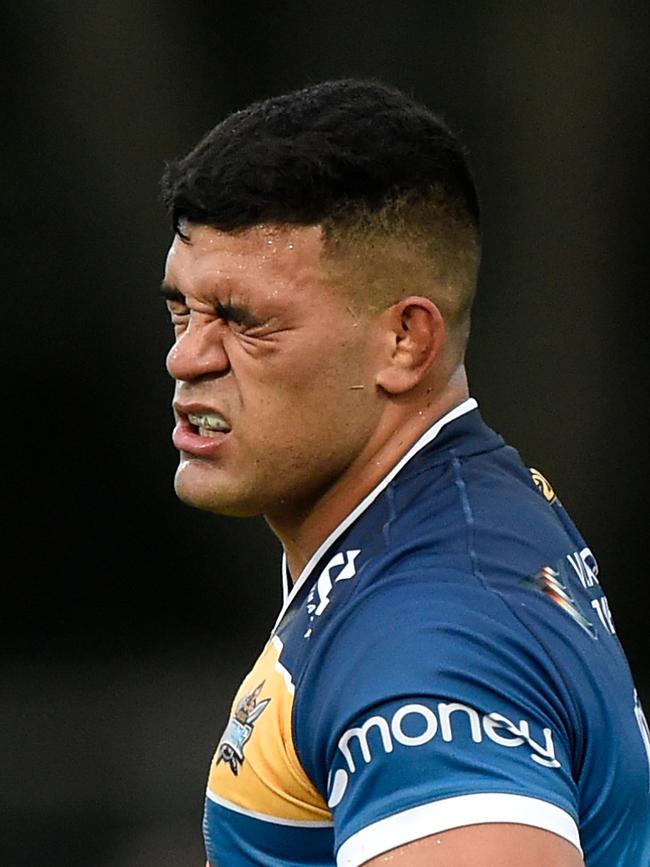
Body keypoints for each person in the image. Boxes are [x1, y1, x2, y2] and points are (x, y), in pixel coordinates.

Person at [159, 79, 649, 866]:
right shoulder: (450, 512)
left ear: (404, 343)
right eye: (182, 309)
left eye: (244, 320)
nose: (186, 357)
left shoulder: (425, 642)